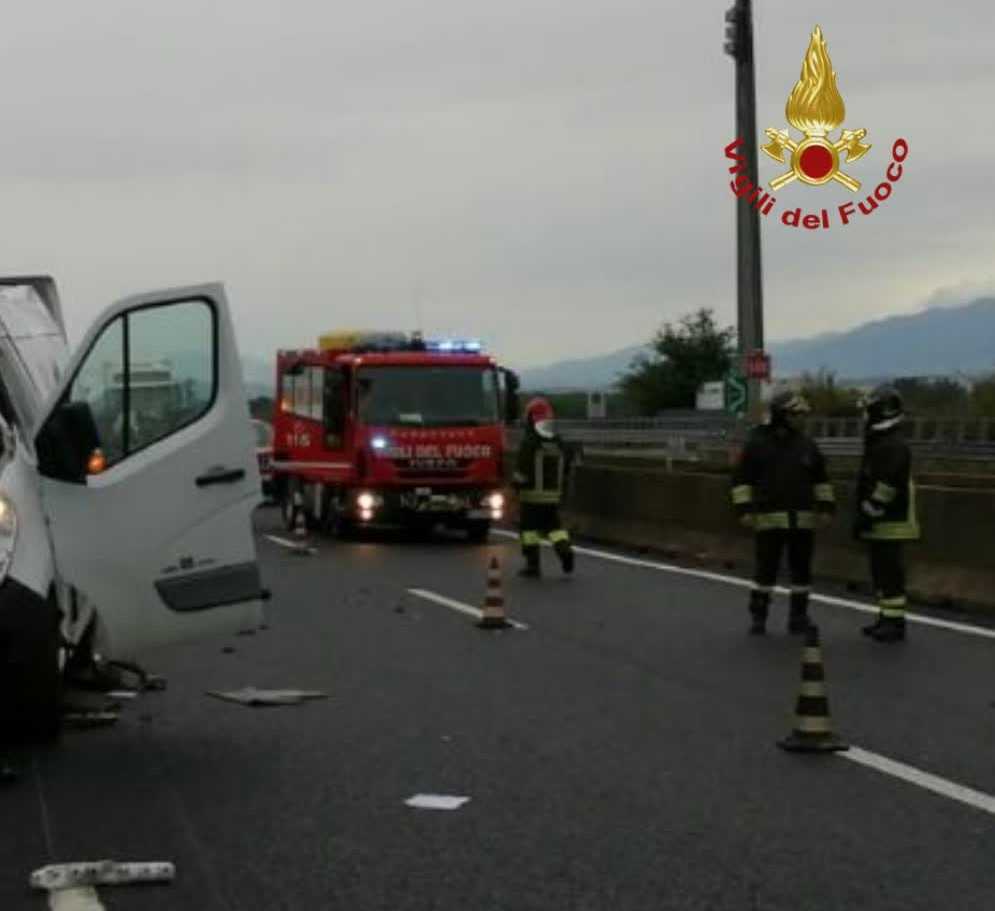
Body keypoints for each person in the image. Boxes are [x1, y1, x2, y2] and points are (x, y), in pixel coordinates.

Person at [731, 390, 835, 634]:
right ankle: (759, 616)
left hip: (802, 521)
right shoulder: (757, 443)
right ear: (781, 415)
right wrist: (743, 510)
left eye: (801, 415)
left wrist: (827, 507)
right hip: (769, 519)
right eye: (795, 415)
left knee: (801, 572)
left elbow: (821, 480)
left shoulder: (807, 445)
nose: (800, 419)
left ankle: (798, 617)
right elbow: (741, 480)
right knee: (765, 571)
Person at [853, 384, 919, 643]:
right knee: (881, 573)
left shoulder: (892, 444)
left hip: (892, 521)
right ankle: (886, 618)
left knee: (890, 574)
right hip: (882, 520)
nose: (865, 416)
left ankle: (894, 624)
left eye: (868, 410)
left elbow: (888, 483)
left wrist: (870, 511)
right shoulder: (882, 440)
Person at [513, 397, 575, 578]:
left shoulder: (530, 442)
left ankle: (532, 565)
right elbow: (566, 467)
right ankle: (565, 551)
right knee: (555, 528)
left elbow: (522, 470)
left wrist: (514, 486)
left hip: (531, 497)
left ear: (531, 418)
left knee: (529, 530)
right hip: (552, 497)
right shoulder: (559, 442)